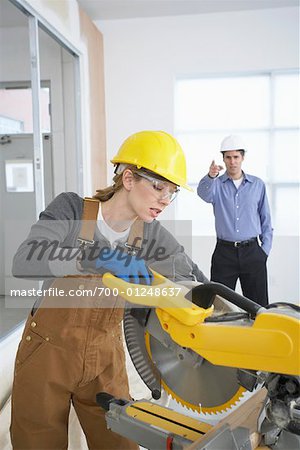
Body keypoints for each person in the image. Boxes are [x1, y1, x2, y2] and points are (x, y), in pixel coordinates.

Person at [10, 130, 208, 449]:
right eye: (158, 187)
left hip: (105, 357)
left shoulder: (153, 235)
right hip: (47, 353)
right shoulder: (72, 209)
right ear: (128, 179)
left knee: (120, 441)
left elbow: (198, 283)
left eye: (172, 192)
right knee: (38, 442)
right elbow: (24, 260)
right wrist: (98, 257)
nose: (165, 200)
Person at [197, 135, 273, 307]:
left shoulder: (257, 185)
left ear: (243, 158)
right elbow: (203, 194)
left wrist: (264, 251)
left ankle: (258, 335)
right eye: (228, 157)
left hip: (253, 252)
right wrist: (210, 176)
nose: (232, 162)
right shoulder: (216, 185)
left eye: (236, 157)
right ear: (223, 158)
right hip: (224, 254)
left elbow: (266, 219)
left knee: (258, 306)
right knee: (219, 306)